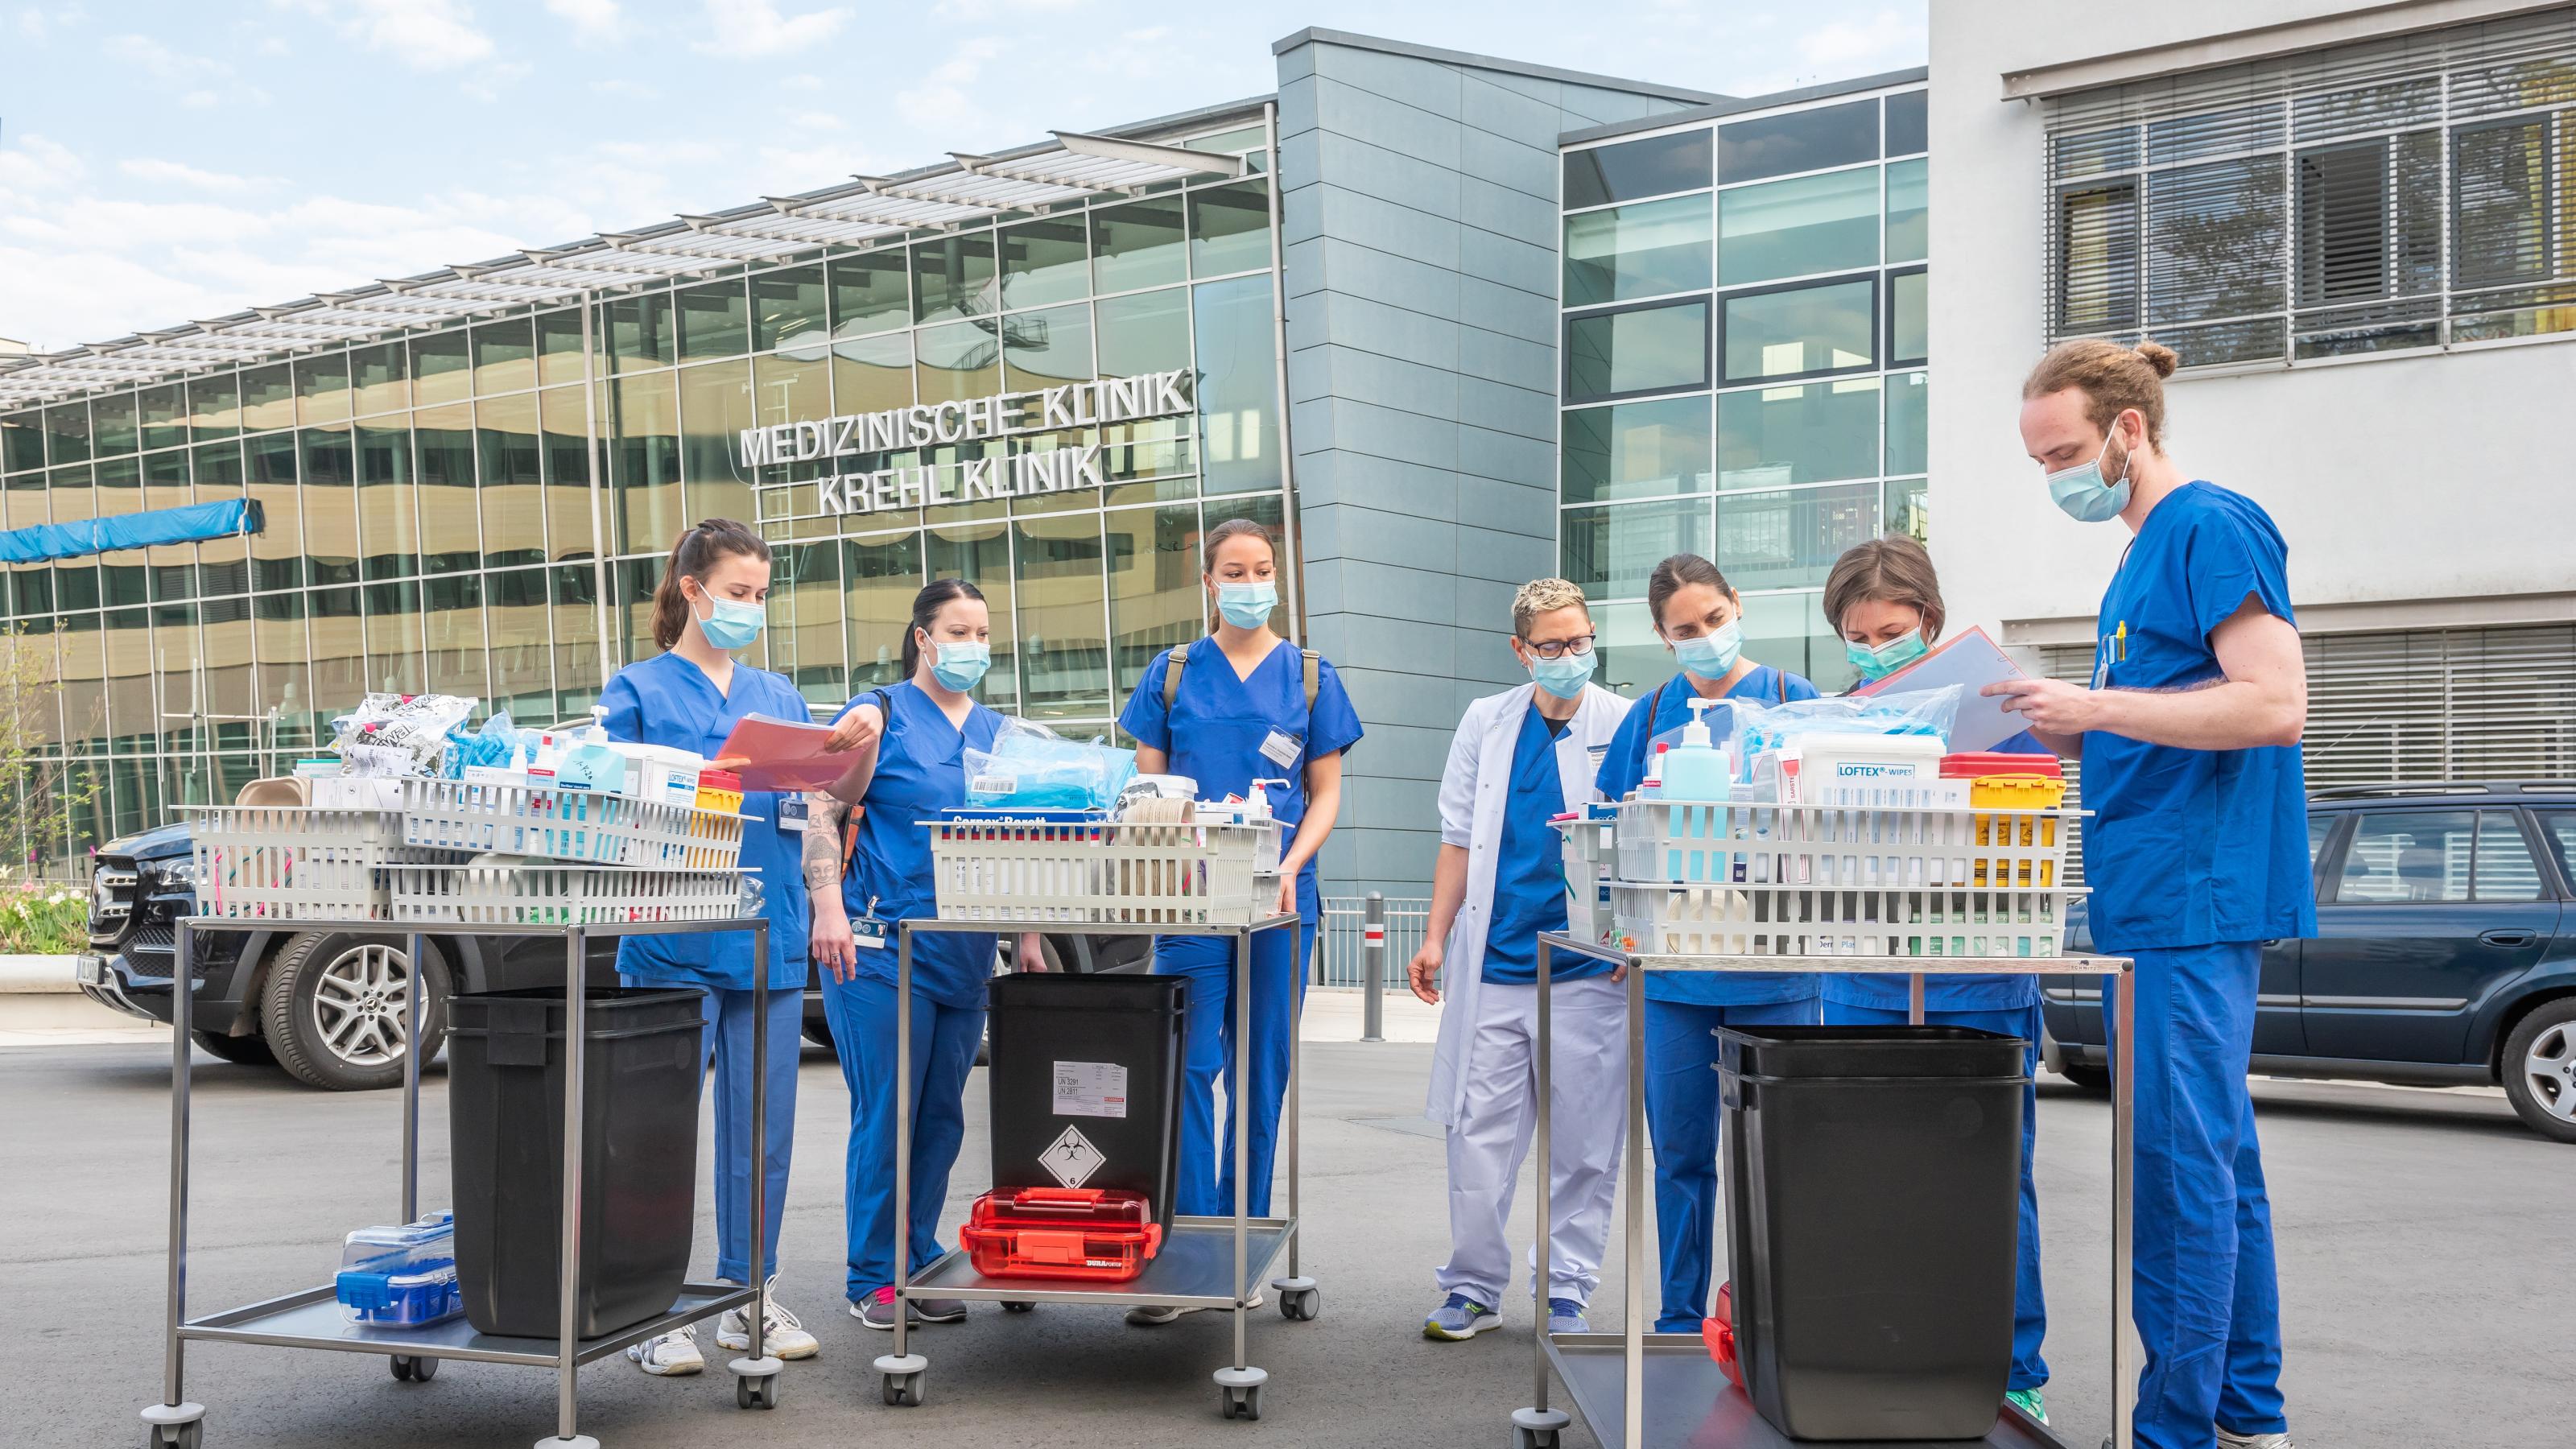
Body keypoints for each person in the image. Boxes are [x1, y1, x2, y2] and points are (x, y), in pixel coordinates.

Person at [1988, 339, 2311, 1449]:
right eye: (2038, 462)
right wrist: (2060, 734)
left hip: (2193, 897)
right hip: (2152, 892)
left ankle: (2175, 1433)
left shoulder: (2209, 525)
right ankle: (2246, 1413)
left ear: (2129, 429)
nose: (2055, 479)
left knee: (2179, 1178)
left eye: (2066, 452)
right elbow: (2159, 724)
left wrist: (2095, 708)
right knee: (2217, 1166)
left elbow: (2272, 704)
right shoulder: (2134, 562)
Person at [1822, 534, 2053, 1424]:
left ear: (1930, 621)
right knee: (1863, 1175)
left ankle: (2013, 1367)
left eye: (1890, 629)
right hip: (1860, 976)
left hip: (1977, 978)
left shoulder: (2001, 710)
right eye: (1858, 634)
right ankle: (1878, 1350)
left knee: (1992, 1182)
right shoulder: (1836, 721)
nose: (1875, 647)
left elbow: (2030, 834)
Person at [1114, 518, 1363, 1324]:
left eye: (1262, 569)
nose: (1250, 582)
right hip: (1188, 899)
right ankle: (1184, 1244)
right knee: (1185, 1067)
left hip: (1281, 903)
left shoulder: (1312, 676)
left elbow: (1324, 792)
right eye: (1233, 570)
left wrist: (1291, 866)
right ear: (1208, 582)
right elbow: (1145, 796)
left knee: (1260, 1072)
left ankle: (1239, 1242)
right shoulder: (1173, 673)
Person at [605, 519, 819, 1376]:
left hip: (768, 934)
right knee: (653, 1134)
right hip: (673, 938)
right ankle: (644, 1306)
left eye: (761, 596)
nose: (750, 609)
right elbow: (611, 811)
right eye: (737, 593)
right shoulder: (638, 690)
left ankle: (747, 1296)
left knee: (760, 1135)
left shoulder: (781, 696)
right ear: (691, 590)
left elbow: (811, 817)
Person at [805, 579, 1042, 1331]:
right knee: (888, 1116)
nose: (973, 646)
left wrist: (1028, 933)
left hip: (962, 954)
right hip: (877, 949)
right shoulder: (878, 715)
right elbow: (821, 807)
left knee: (941, 1118)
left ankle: (918, 1255)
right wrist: (828, 910)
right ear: (923, 638)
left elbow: (1024, 836)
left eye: (982, 632)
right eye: (958, 631)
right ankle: (873, 1277)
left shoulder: (1001, 734)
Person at [1593, 553, 1821, 1334]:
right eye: (1684, 631)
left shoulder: (1796, 703)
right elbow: (1610, 831)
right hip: (1675, 977)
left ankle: (1779, 1319)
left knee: (1783, 1157)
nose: (1704, 640)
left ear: (1737, 607)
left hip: (1778, 971)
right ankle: (1678, 1317)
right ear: (1662, 638)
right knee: (1682, 1156)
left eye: (1713, 621)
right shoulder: (1649, 716)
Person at [1408, 578, 1633, 1342]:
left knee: (1585, 1144)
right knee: (1478, 1136)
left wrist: (1630, 943)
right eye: (1552, 646)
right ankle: (1472, 1285)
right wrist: (1436, 936)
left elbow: (1641, 845)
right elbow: (1459, 836)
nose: (1571, 657)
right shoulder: (1486, 721)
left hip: (1587, 970)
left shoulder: (1623, 722)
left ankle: (1565, 1289)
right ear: (1520, 651)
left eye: (1581, 641)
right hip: (1496, 964)